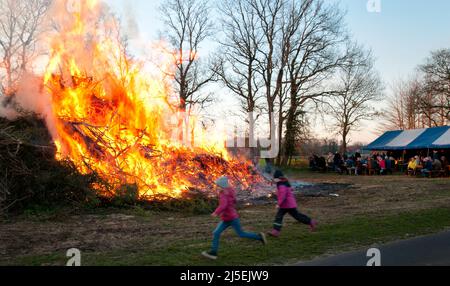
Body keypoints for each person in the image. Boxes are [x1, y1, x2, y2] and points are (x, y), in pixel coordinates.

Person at [202, 176, 267, 260]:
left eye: (218, 185)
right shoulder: (231, 191)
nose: (217, 186)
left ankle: (259, 237)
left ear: (222, 185)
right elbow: (234, 201)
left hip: (231, 218)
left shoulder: (223, 193)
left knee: (241, 233)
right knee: (216, 233)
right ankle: (213, 253)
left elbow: (223, 205)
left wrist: (216, 212)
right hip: (227, 218)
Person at [268, 170, 318, 237]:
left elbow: (283, 195)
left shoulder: (282, 185)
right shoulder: (283, 183)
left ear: (278, 178)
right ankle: (311, 221)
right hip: (288, 204)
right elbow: (285, 192)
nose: (274, 180)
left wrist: (278, 204)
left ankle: (276, 231)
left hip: (286, 205)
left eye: (275, 178)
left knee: (279, 217)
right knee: (297, 216)